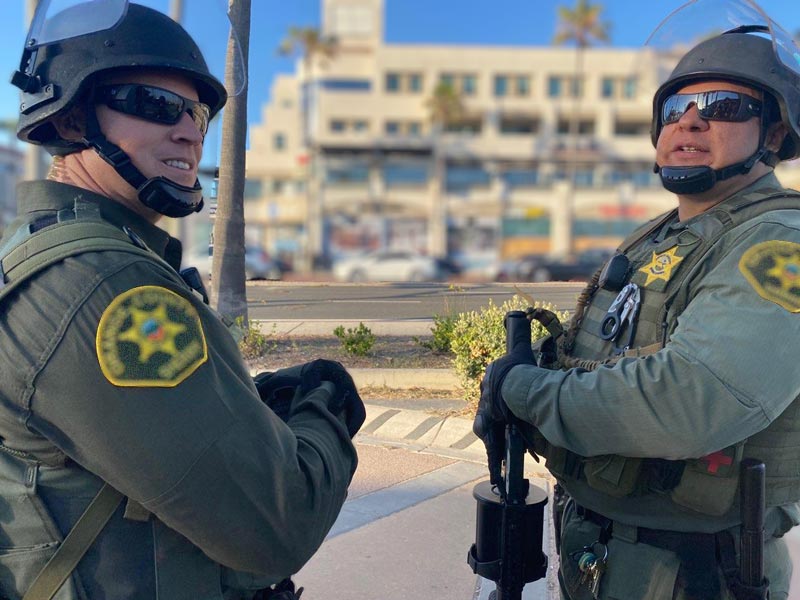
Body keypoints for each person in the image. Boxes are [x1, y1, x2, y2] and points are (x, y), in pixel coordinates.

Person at [0, 3, 364, 599]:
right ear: (70, 123)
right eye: (156, 105)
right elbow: (278, 524)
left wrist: (248, 403)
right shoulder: (112, 290)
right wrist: (326, 410)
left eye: (196, 113)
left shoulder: (39, 251)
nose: (191, 130)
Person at [475, 9, 800, 600]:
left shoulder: (778, 243)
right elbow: (599, 349)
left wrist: (525, 393)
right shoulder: (662, 236)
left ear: (774, 134)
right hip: (599, 545)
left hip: (695, 571)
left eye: (724, 106)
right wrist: (514, 381)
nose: (691, 123)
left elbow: (692, 400)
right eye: (676, 109)